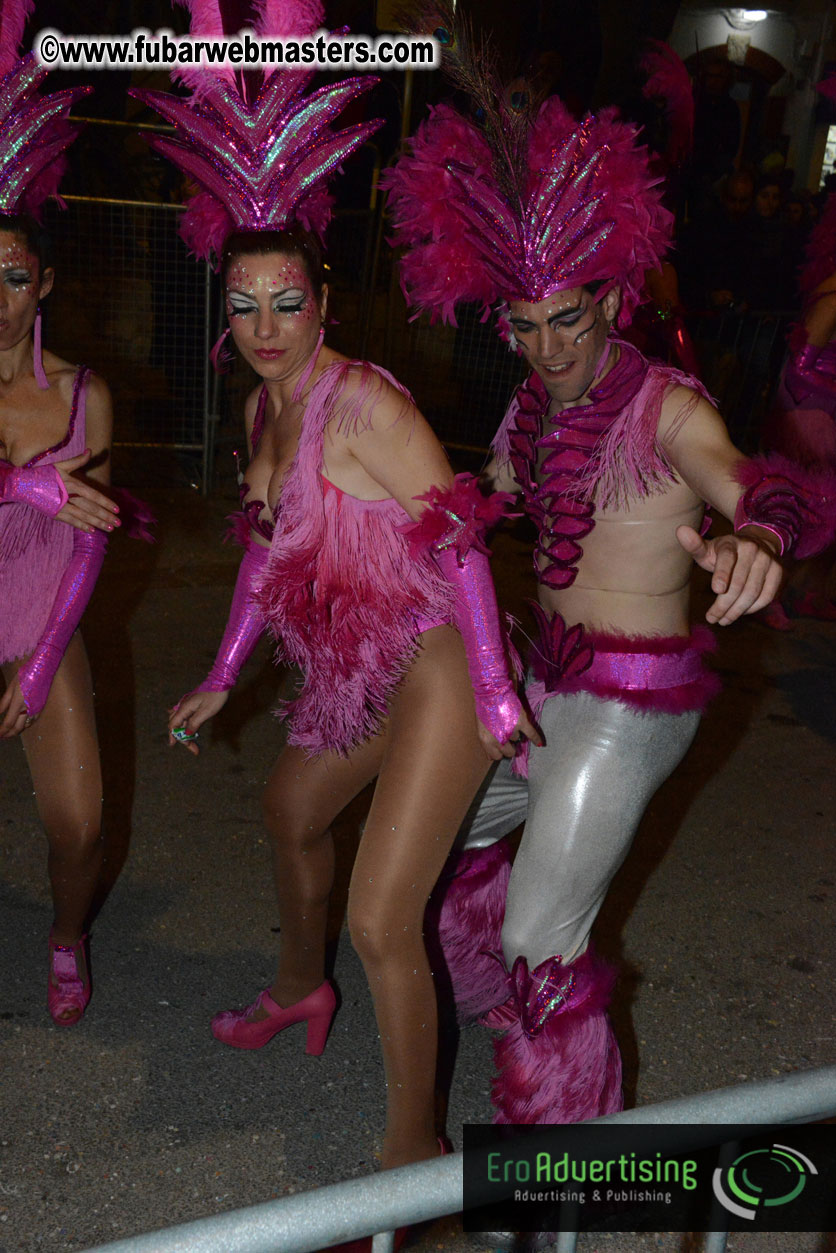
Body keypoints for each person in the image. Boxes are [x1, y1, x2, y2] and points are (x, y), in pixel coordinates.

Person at [385, 51, 836, 1124]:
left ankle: (559, 1196)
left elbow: (754, 486)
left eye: (569, 322)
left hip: (626, 708)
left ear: (613, 298)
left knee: (542, 942)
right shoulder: (529, 408)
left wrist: (756, 541)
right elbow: (479, 497)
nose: (546, 351)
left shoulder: (666, 408)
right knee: (440, 853)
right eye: (525, 326)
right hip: (539, 692)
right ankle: (513, 1067)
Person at [136, 0, 537, 1177]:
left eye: (288, 303)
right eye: (244, 305)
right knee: (288, 811)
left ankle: (413, 1150)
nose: (264, 326)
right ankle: (301, 990)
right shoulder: (265, 404)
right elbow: (264, 551)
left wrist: (499, 691)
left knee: (381, 913)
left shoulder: (363, 402)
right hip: (365, 661)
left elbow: (461, 542)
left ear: (327, 306)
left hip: (444, 657)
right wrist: (219, 675)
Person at [0, 19, 125, 1028]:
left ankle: (66, 933)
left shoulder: (87, 393)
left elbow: (91, 535)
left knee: (80, 822)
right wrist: (19, 485)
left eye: (12, 276)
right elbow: (41, 496)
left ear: (42, 285)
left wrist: (42, 663)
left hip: (40, 620)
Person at [761, 190, 836, 626]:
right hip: (809, 415)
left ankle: (808, 592)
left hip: (821, 413)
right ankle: (770, 595)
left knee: (825, 513)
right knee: (800, 508)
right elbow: (801, 363)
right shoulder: (833, 296)